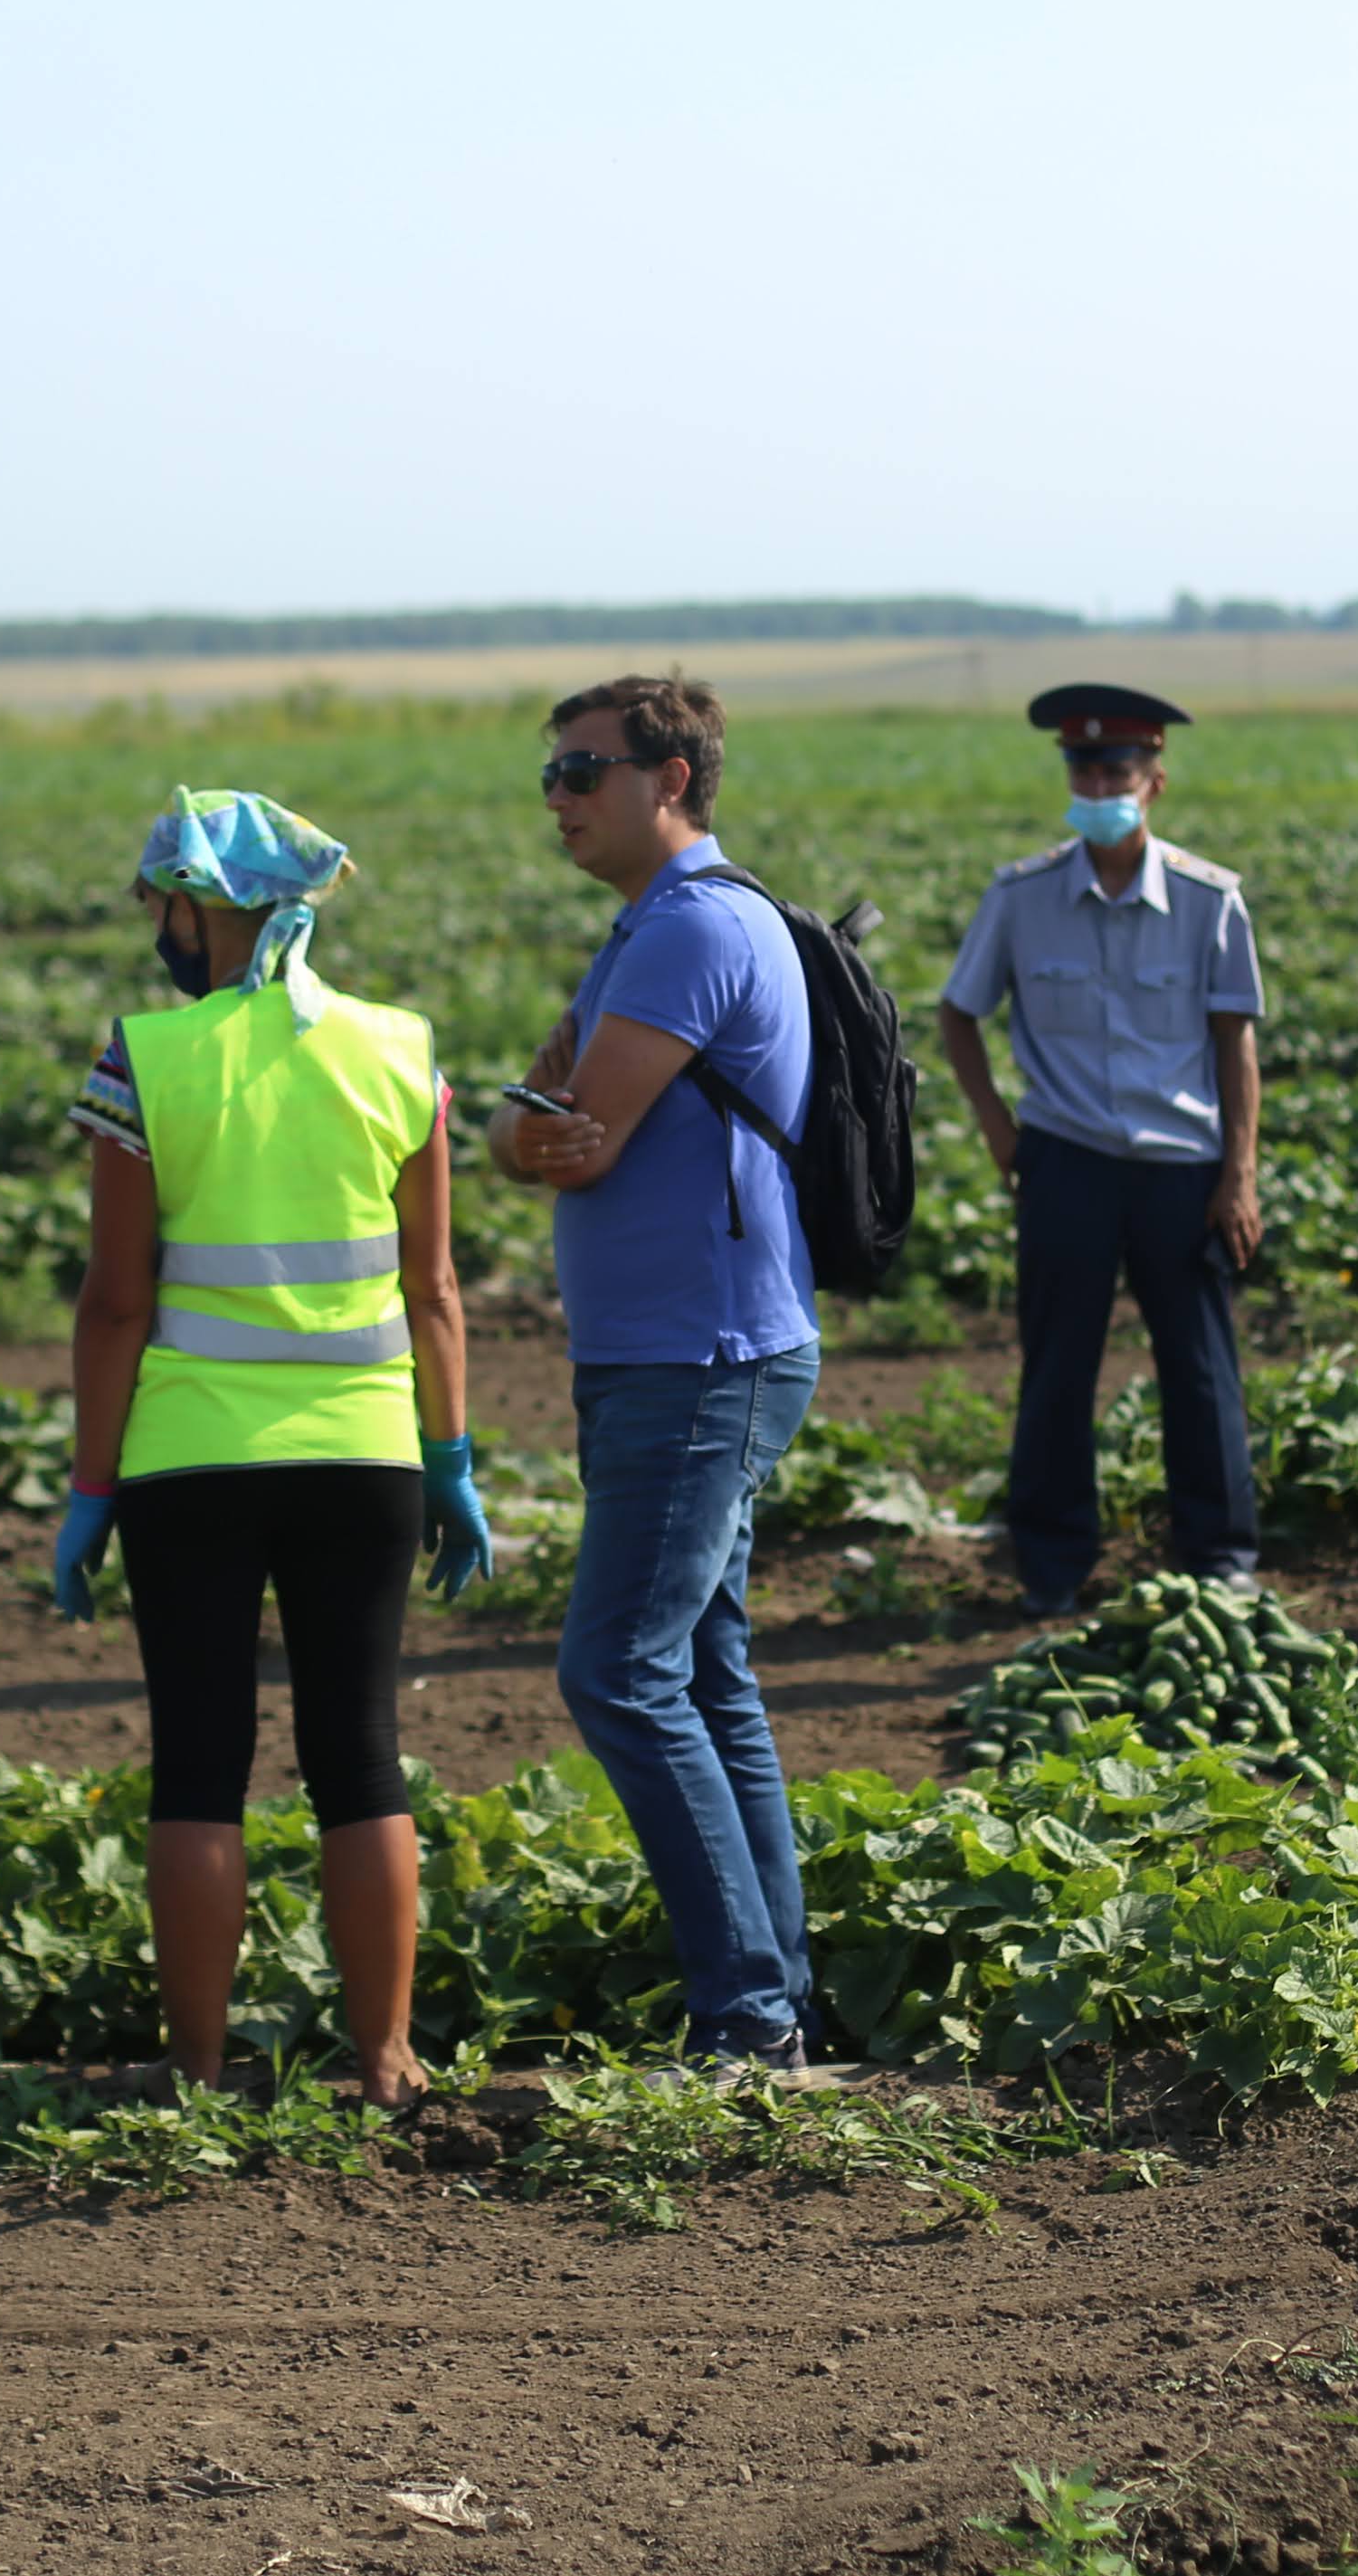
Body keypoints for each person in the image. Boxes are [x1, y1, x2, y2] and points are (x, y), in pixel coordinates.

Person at [50, 787, 493, 2110]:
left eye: (157, 902)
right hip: (365, 1454)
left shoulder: (143, 1058)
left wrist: (89, 1488)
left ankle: (195, 2068)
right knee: (358, 1752)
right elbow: (434, 1289)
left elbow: (115, 1301)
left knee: (198, 1761)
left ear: (201, 907)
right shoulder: (401, 1050)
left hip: (187, 1462)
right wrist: (451, 1459)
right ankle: (386, 2059)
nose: (152, 927)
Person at [481, 674, 831, 2076]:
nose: (557, 798)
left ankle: (745, 2013)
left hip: (698, 1357)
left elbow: (565, 1138)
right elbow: (540, 1131)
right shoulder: (658, 924)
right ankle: (776, 1997)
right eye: (549, 774)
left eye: (582, 771)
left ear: (670, 778)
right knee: (698, 1669)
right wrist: (532, 1121)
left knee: (619, 1673)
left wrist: (530, 1117)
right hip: (683, 1348)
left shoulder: (690, 928)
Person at [935, 683, 1268, 1617]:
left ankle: (1219, 1556)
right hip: (1066, 1159)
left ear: (1153, 781)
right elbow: (958, 1012)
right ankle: (1050, 1564)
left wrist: (1239, 1174)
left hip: (1180, 1166)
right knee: (1057, 1365)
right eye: (1083, 771)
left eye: (1116, 772)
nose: (1098, 787)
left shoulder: (1208, 900)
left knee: (1199, 1367)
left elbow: (1234, 1040)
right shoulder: (1022, 896)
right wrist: (999, 1129)